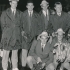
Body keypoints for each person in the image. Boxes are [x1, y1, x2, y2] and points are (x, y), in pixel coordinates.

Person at [0, 0, 23, 70]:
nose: (14, 5)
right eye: (13, 3)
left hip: (16, 36)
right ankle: (4, 67)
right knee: (6, 54)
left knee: (15, 54)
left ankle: (15, 67)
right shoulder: (4, 13)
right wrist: (7, 32)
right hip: (7, 37)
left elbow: (21, 25)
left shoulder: (20, 13)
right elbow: (2, 26)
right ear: (10, 3)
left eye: (16, 3)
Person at [21, 0, 42, 70]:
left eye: (31, 5)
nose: (30, 7)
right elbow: (20, 26)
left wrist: (38, 35)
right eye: (28, 5)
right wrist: (22, 33)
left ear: (33, 6)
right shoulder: (22, 14)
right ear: (26, 6)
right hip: (25, 36)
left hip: (34, 37)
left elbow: (39, 26)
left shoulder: (37, 15)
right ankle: (23, 66)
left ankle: (33, 66)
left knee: (33, 52)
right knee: (24, 51)